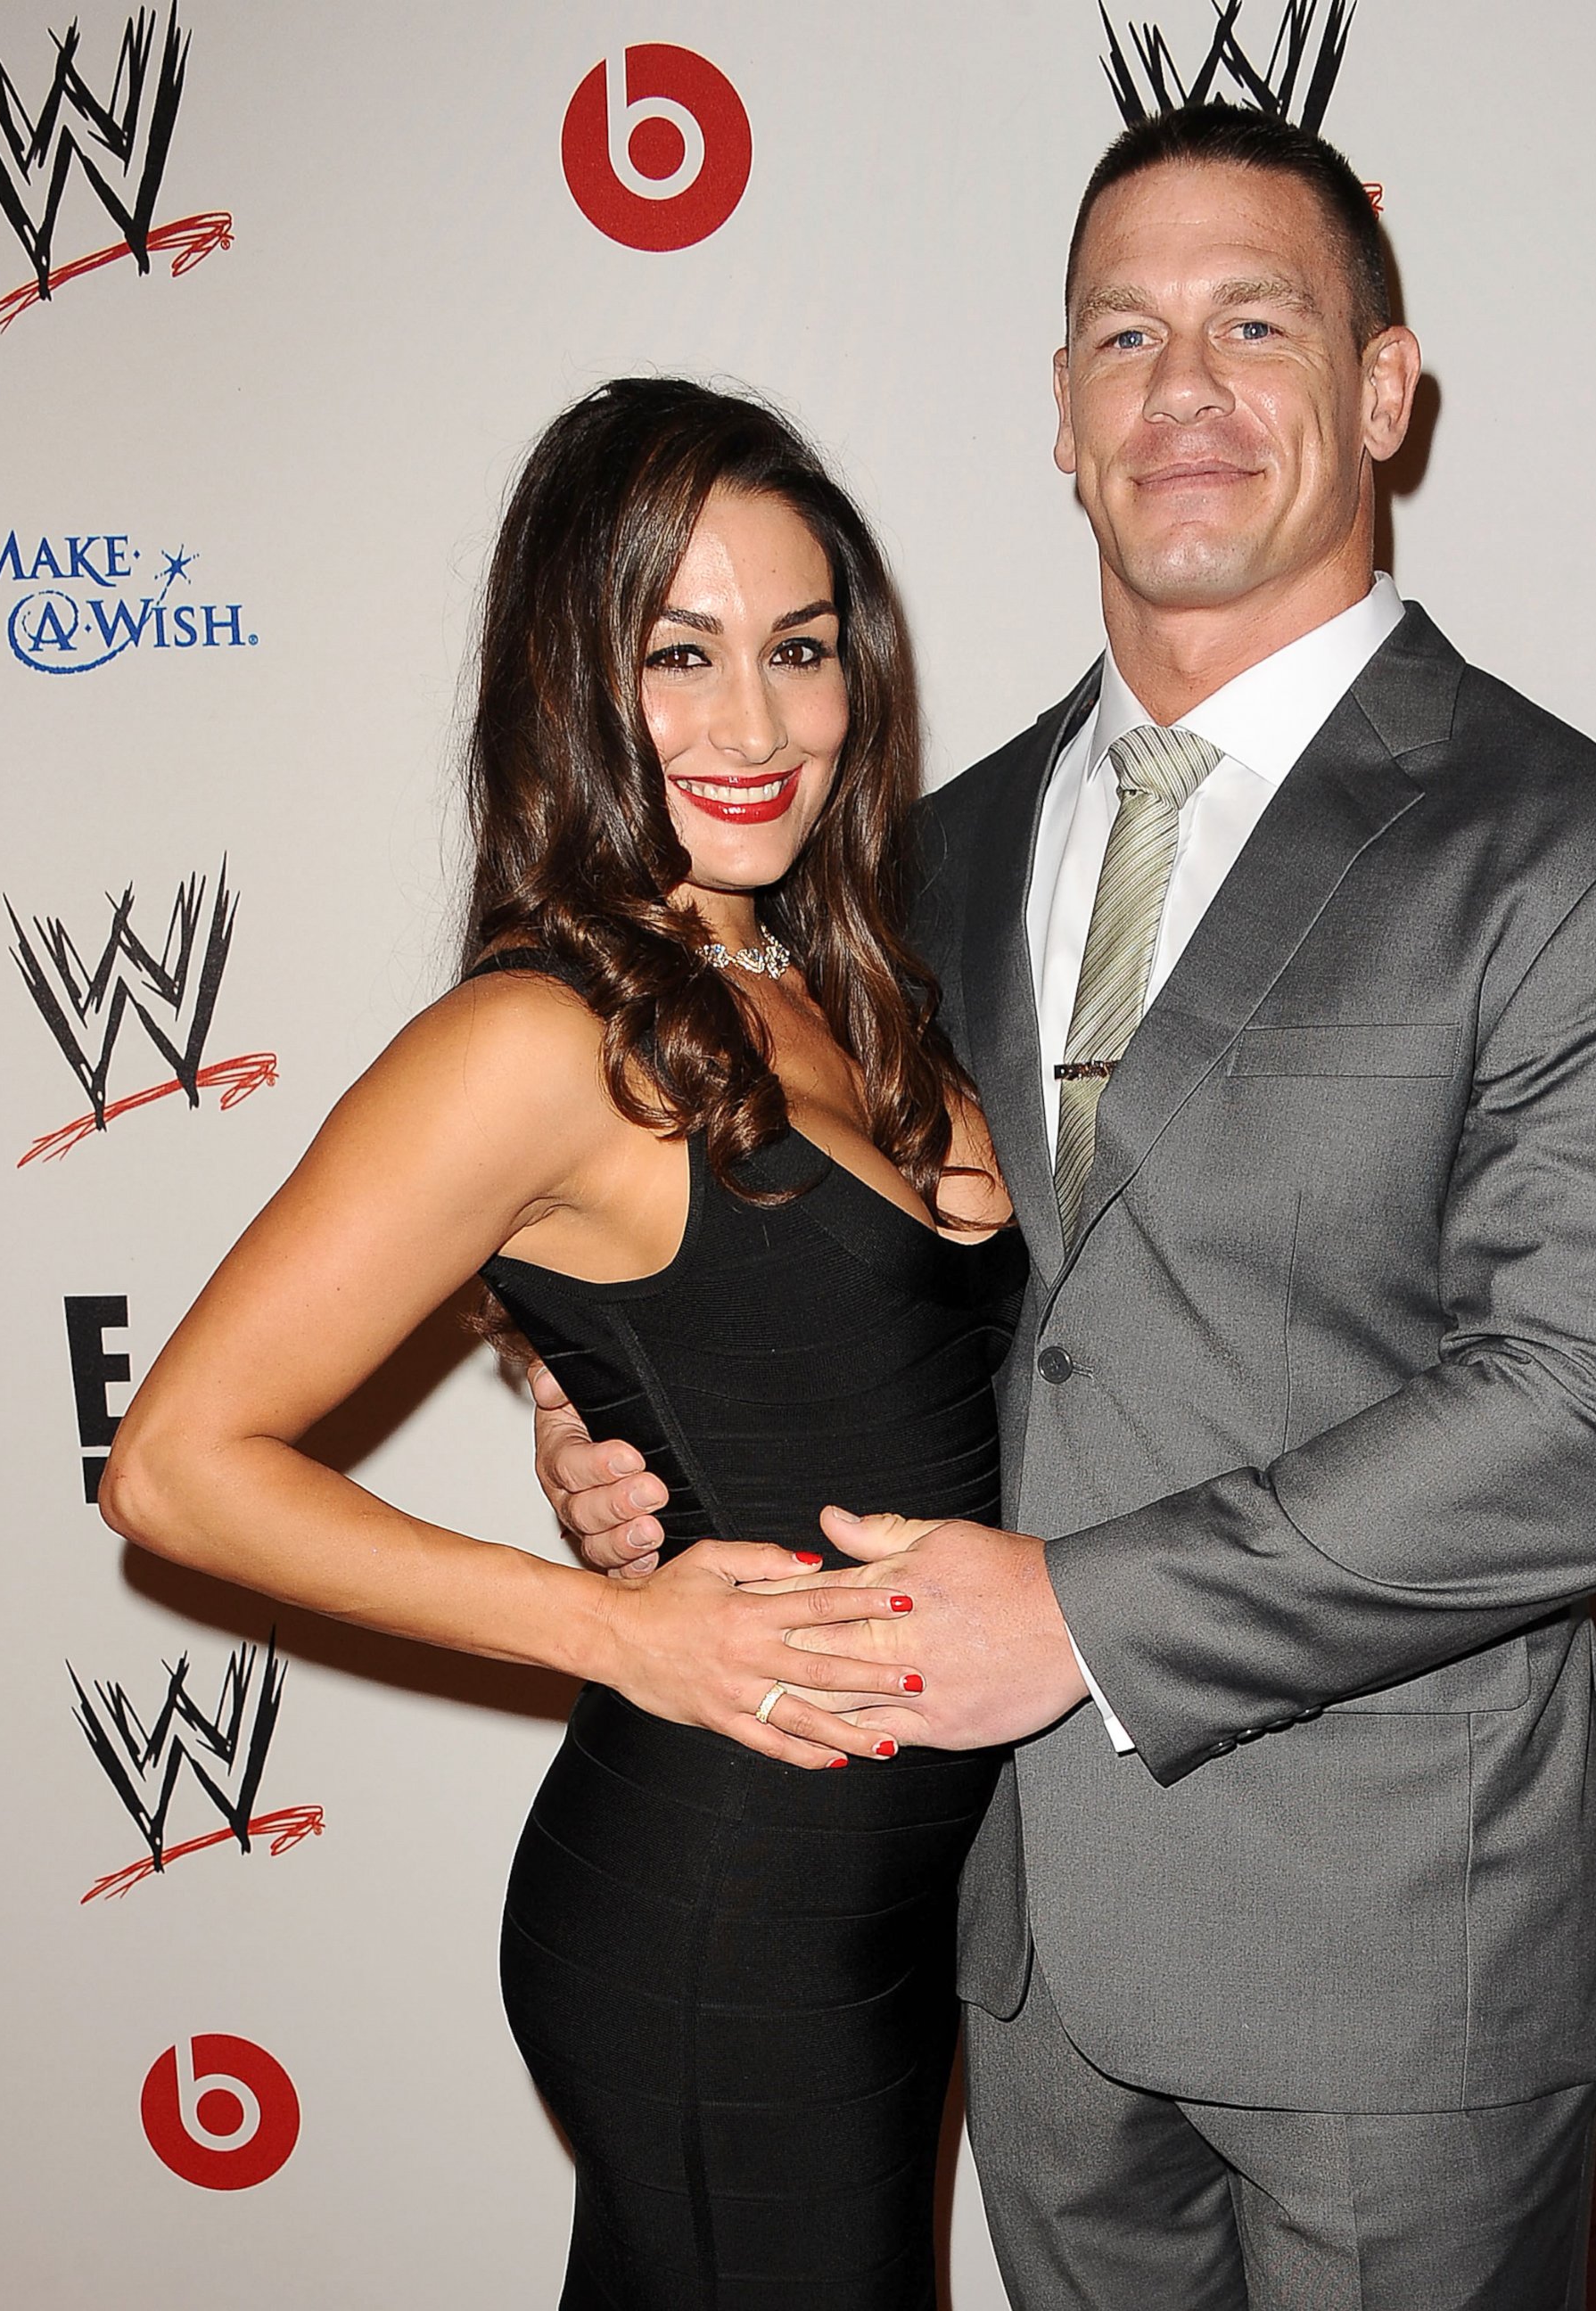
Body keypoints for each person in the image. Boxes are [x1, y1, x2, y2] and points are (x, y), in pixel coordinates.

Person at [539, 109, 1596, 2310]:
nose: (1181, 388)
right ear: (1062, 414)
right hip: (1009, 1939)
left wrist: (1086, 1618)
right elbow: (830, 1263)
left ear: (1384, 394)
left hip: (1405, 1962)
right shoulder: (908, 864)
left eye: (1254, 324)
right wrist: (626, 1419)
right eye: (1125, 332)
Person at [98, 378, 1026, 2311]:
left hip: (883, 1888)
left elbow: (756, 1321)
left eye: (800, 649)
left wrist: (560, 1372)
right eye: (677, 655)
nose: (757, 726)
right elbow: (176, 1465)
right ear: (572, 678)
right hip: (725, 1900)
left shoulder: (834, 971)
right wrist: (608, 1622)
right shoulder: (537, 1039)